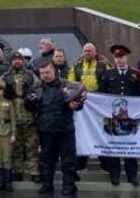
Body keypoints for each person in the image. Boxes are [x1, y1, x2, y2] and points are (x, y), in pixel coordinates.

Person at [26, 61, 83, 196]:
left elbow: (79, 102)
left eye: (47, 72)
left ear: (54, 71)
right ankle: (47, 184)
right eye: (42, 73)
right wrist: (29, 101)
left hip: (65, 128)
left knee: (68, 160)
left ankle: (69, 185)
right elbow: (28, 107)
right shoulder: (37, 87)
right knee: (46, 159)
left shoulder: (67, 85)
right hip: (46, 129)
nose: (44, 75)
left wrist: (76, 106)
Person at [98, 45, 140, 187]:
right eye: (117, 57)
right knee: (114, 148)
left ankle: (132, 176)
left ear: (127, 57)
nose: (119, 60)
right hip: (113, 118)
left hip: (129, 117)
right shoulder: (108, 74)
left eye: (122, 57)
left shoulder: (135, 74)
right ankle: (115, 175)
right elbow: (102, 94)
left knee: (130, 147)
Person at [67, 42, 111, 173]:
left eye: (90, 51)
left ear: (95, 52)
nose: (87, 53)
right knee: (82, 133)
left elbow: (109, 81)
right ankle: (81, 165)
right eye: (85, 51)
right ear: (82, 52)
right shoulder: (76, 65)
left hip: (98, 105)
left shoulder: (104, 65)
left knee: (101, 133)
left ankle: (106, 166)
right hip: (82, 103)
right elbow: (70, 83)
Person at [0, 51, 40, 182]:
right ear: (11, 62)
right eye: (14, 60)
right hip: (12, 116)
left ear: (23, 61)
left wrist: (33, 97)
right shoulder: (5, 76)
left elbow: (39, 89)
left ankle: (34, 171)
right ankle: (17, 171)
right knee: (16, 147)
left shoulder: (31, 75)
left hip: (29, 116)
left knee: (32, 146)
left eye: (19, 59)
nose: (17, 62)